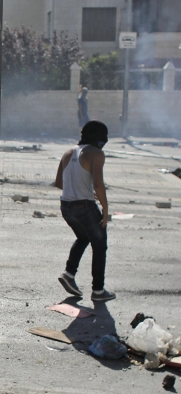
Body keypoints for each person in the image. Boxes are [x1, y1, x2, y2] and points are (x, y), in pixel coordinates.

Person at [54, 120, 115, 302]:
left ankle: (69, 273)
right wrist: (105, 208)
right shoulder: (97, 153)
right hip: (85, 207)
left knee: (83, 238)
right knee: (100, 245)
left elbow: (59, 183)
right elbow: (98, 184)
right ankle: (98, 291)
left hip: (66, 206)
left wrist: (78, 188)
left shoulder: (67, 152)